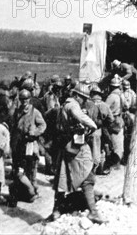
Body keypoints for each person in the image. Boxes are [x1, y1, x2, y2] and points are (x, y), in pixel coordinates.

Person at [49, 83, 106, 224]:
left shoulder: (65, 105)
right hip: (76, 146)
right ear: (75, 95)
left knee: (62, 177)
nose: (83, 101)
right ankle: (93, 212)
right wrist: (92, 125)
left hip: (66, 145)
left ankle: (56, 211)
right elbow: (79, 116)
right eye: (82, 97)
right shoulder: (73, 105)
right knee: (87, 176)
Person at [9, 89, 47, 204]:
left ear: (29, 99)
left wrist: (35, 132)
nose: (24, 101)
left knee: (31, 168)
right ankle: (25, 192)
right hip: (19, 144)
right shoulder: (17, 111)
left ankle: (33, 191)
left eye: (26, 99)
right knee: (20, 168)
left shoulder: (34, 112)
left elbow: (43, 125)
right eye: (22, 99)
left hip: (30, 143)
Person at [89, 85, 114, 176]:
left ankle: (93, 170)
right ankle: (99, 169)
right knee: (101, 149)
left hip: (89, 130)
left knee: (92, 150)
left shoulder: (87, 104)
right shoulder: (104, 105)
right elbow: (111, 119)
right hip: (100, 130)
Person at [104, 75, 124, 170]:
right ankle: (118, 162)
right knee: (119, 142)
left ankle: (113, 163)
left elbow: (105, 108)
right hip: (120, 119)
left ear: (111, 86)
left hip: (113, 121)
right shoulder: (121, 95)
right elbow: (127, 105)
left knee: (111, 142)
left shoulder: (111, 96)